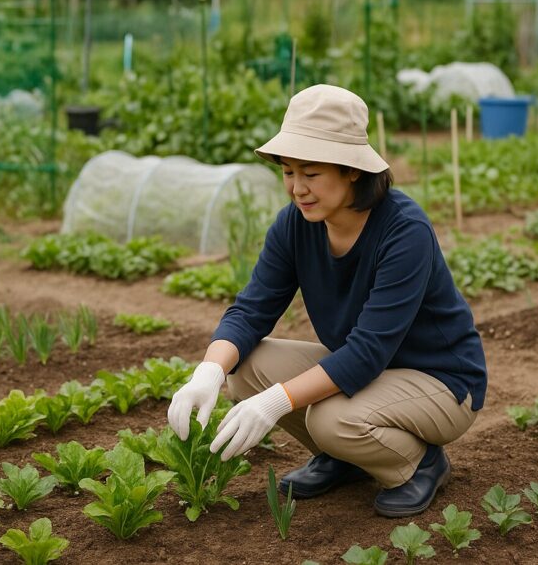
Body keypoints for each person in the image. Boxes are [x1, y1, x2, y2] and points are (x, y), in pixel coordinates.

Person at [167, 84, 487, 517]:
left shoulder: (404, 231)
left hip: (441, 382)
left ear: (351, 169)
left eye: (311, 173)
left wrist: (275, 402)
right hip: (373, 374)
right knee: (244, 368)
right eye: (288, 172)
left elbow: (367, 352)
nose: (298, 188)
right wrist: (207, 373)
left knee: (330, 419)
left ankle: (419, 465)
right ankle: (348, 458)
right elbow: (251, 310)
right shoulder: (295, 226)